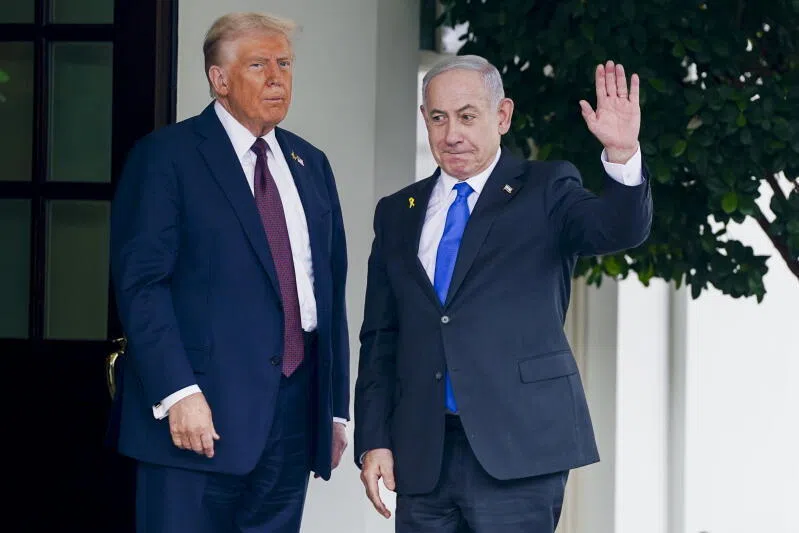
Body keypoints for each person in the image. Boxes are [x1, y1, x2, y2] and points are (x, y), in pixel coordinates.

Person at [354, 55, 652, 533]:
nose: (452, 133)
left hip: (519, 449)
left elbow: (618, 228)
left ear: (502, 116)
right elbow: (380, 337)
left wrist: (622, 155)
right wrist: (374, 439)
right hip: (423, 454)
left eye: (467, 116)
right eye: (438, 117)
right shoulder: (397, 212)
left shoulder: (546, 188)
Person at [110, 12, 349, 533]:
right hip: (196, 418)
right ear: (219, 79)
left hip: (291, 416)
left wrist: (333, 408)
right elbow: (142, 284)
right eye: (259, 64)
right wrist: (177, 391)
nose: (277, 77)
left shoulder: (311, 163)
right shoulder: (166, 157)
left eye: (284, 63)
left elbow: (328, 291)